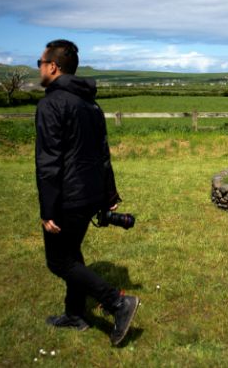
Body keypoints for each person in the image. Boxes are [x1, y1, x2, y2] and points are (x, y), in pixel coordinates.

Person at [35, 39, 139, 346]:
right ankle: (75, 314)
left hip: (69, 197)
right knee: (73, 254)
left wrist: (48, 210)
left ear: (53, 67)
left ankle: (118, 303)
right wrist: (108, 193)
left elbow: (49, 163)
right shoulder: (91, 105)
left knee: (59, 262)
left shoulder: (51, 104)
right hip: (90, 194)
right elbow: (102, 154)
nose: (38, 68)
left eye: (40, 63)